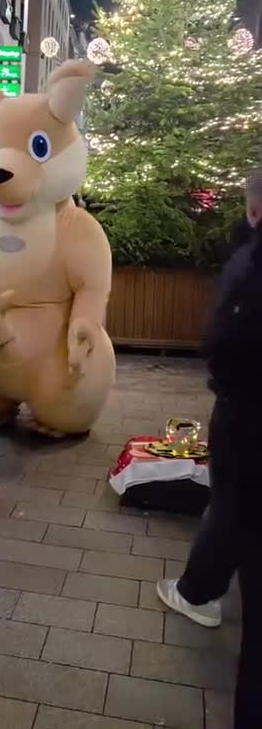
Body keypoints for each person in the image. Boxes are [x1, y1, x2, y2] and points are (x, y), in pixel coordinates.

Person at [157, 171, 262, 729]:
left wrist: (227, 390)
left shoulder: (249, 265)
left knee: (232, 503)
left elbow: (223, 342)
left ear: (254, 208)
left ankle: (199, 591)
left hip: (249, 421)